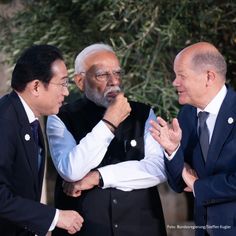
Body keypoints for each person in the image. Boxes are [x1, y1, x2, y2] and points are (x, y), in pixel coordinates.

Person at [46, 43, 167, 236]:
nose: (113, 81)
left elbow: (158, 168)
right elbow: (72, 170)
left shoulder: (144, 114)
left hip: (141, 228)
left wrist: (98, 177)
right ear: (80, 81)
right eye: (102, 75)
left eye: (117, 73)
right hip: (84, 230)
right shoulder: (60, 117)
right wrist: (109, 122)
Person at [150, 42, 236, 236]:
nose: (174, 82)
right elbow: (178, 184)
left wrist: (198, 185)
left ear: (209, 77)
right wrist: (172, 151)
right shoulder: (187, 115)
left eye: (181, 75)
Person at [0, 45, 84, 236]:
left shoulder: (27, 120)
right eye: (62, 84)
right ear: (36, 86)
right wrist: (54, 217)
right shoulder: (4, 121)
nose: (66, 92)